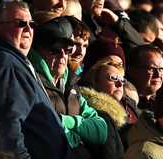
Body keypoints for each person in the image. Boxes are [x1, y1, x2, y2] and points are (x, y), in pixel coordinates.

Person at [0, 0, 73, 159]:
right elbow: (7, 126)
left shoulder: (13, 61)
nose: (28, 29)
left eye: (32, 24)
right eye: (21, 23)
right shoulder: (5, 64)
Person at [28, 17, 107, 149]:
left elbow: (101, 132)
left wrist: (67, 121)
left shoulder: (72, 85)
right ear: (38, 52)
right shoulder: (32, 81)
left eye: (67, 50)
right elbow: (46, 131)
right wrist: (78, 136)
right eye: (54, 50)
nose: (62, 55)